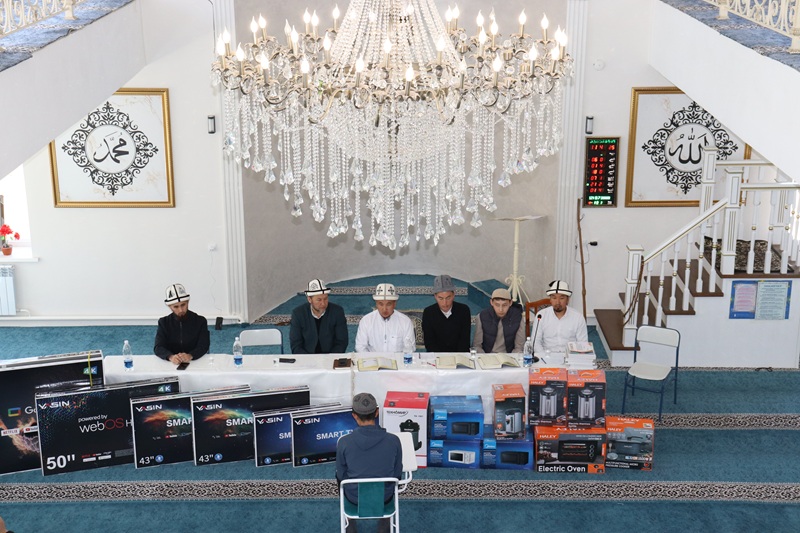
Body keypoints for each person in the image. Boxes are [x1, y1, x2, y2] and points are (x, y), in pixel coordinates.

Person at [336, 392, 402, 533]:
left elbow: (341, 476)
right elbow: (397, 474)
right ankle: (385, 525)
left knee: (340, 481)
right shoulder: (394, 441)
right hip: (384, 497)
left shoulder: (344, 442)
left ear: (354, 415)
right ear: (377, 412)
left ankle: (350, 525)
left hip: (354, 498)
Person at [154, 283, 210, 365]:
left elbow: (204, 345)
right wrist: (171, 357)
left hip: (195, 361)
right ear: (170, 307)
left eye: (183, 305)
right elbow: (158, 347)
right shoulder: (164, 322)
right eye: (176, 307)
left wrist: (190, 355)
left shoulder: (200, 321)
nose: (180, 310)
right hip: (172, 363)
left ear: (188, 302)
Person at [289, 279, 349, 354]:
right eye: (319, 300)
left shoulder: (337, 312)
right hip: (307, 357)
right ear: (309, 299)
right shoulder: (298, 314)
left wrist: (330, 358)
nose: (323, 303)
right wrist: (308, 359)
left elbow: (341, 342)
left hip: (331, 356)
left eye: (325, 299)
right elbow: (296, 345)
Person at [355, 283, 415, 353]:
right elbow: (360, 347)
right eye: (381, 304)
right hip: (372, 359)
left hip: (398, 359)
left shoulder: (405, 322)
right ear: (376, 303)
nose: (384, 309)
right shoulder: (366, 321)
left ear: (394, 304)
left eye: (388, 304)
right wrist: (372, 359)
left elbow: (410, 348)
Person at [533, 280, 589, 355]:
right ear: (550, 299)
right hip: (546, 356)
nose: (558, 302)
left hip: (570, 356)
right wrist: (545, 357)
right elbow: (535, 342)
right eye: (554, 298)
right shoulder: (541, 316)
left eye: (562, 298)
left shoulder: (578, 317)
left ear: (567, 300)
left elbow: (582, 344)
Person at [422, 275, 471, 352]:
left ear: (454, 295)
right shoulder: (428, 313)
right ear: (435, 296)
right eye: (440, 298)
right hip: (437, 355)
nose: (445, 303)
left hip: (459, 355)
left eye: (448, 298)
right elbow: (429, 342)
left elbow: (465, 340)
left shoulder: (464, 310)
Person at [472, 288, 525, 353]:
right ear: (491, 302)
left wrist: (511, 357)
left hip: (509, 355)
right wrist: (484, 357)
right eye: (497, 305)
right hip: (487, 355)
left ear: (510, 303)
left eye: (504, 305)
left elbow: (519, 347)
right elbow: (477, 345)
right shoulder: (482, 316)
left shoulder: (517, 317)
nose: (500, 309)